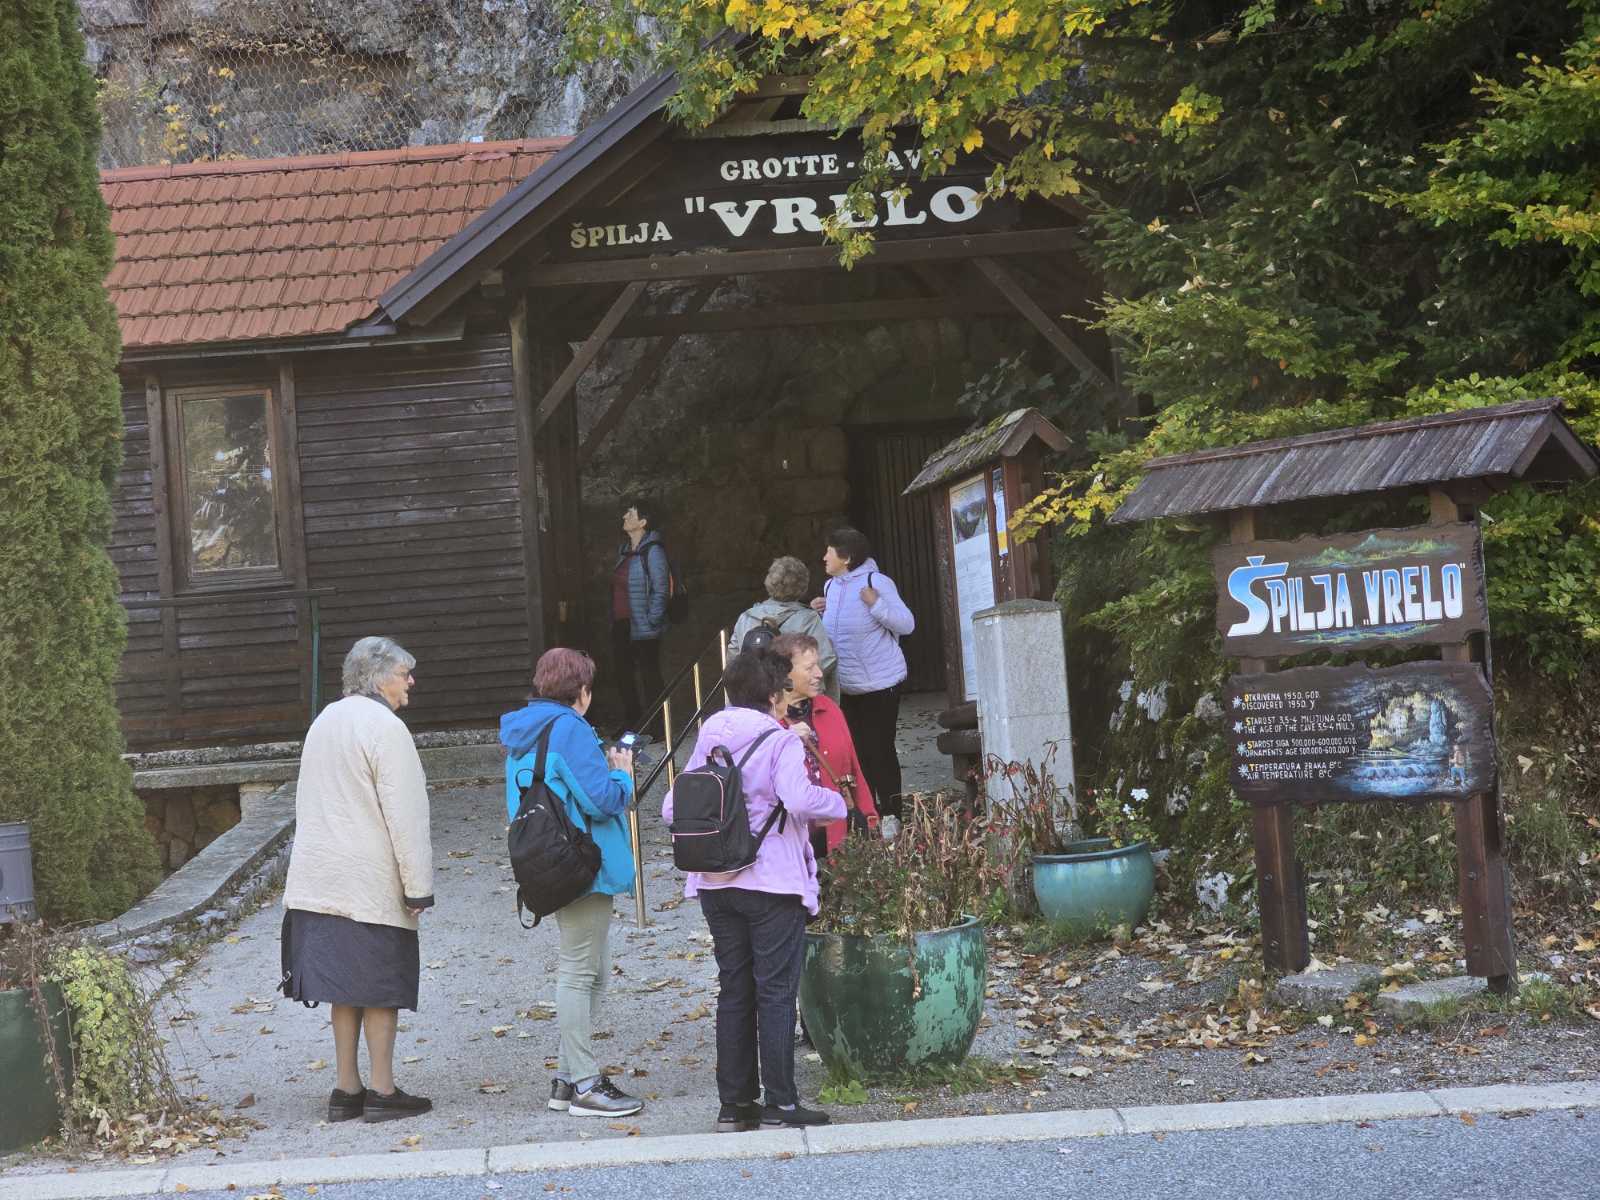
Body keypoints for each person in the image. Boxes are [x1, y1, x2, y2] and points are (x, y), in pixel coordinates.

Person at [661, 649, 846, 1133]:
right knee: (777, 992)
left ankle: (735, 1105)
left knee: (734, 990)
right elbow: (800, 800)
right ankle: (781, 1103)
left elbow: (671, 808)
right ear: (773, 694)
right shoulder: (780, 740)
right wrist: (838, 802)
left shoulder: (710, 736)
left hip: (715, 884)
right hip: (771, 883)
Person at [280, 636, 435, 1124]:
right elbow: (406, 815)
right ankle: (383, 1091)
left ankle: (346, 1089)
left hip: (319, 877)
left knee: (343, 987)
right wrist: (418, 886)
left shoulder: (324, 721)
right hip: (369, 877)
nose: (411, 682)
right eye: (404, 674)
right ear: (378, 677)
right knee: (380, 985)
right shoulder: (386, 727)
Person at [500, 647, 644, 1119]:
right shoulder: (570, 728)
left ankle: (566, 1080)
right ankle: (584, 1083)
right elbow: (602, 800)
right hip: (584, 861)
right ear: (581, 690)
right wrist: (621, 774)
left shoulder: (523, 730)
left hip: (549, 859)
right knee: (580, 972)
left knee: (593, 972)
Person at [809, 527, 915, 819]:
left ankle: (893, 814)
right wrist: (819, 612)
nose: (824, 557)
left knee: (880, 751)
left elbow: (907, 624)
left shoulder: (876, 582)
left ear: (846, 557)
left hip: (881, 684)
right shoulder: (831, 587)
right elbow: (838, 631)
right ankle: (870, 814)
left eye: (829, 551)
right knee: (857, 753)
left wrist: (876, 604)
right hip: (846, 687)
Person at [770, 631, 876, 858]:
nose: (819, 673)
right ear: (784, 674)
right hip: (788, 847)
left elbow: (854, 770)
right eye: (809, 668)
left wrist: (869, 818)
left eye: (817, 665)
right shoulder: (765, 723)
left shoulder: (829, 708)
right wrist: (784, 738)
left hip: (836, 839)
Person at [728, 556, 838, 700]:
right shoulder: (808, 619)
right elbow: (826, 659)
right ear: (803, 586)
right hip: (794, 698)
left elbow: (733, 658)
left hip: (755, 695)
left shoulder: (747, 617)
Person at [610, 498, 669, 734]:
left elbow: (661, 589)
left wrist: (652, 619)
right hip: (622, 624)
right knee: (624, 675)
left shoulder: (653, 551)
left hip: (644, 625)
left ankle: (657, 727)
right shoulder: (624, 551)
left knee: (649, 676)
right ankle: (632, 723)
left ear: (643, 522)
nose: (625, 516)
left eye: (631, 514)